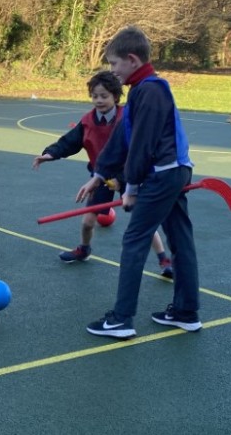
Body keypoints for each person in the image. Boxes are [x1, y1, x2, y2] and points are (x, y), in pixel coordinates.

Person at [77, 26, 200, 339]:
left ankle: (121, 319)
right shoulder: (141, 91)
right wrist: (99, 175)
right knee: (179, 238)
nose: (113, 70)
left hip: (164, 173)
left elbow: (142, 145)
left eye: (115, 63)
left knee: (135, 239)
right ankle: (186, 311)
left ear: (132, 59)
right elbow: (122, 138)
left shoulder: (150, 90)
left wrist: (131, 188)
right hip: (173, 171)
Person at [33, 71, 172, 278]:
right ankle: (84, 249)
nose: (99, 100)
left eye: (104, 96)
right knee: (88, 222)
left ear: (115, 96)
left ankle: (163, 259)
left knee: (143, 222)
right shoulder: (88, 120)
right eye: (95, 96)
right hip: (100, 178)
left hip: (129, 177)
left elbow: (138, 153)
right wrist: (50, 153)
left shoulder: (127, 118)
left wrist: (122, 180)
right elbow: (69, 142)